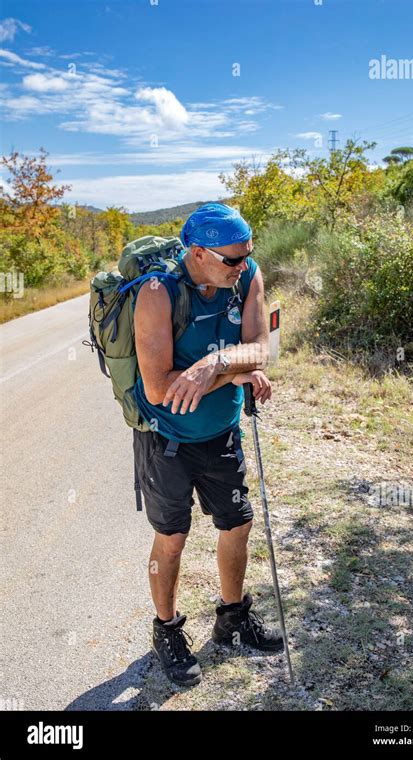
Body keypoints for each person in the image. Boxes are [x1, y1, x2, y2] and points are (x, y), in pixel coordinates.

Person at [132, 202, 283, 687]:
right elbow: (160, 390)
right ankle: (168, 630)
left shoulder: (247, 274)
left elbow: (262, 347)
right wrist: (234, 370)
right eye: (232, 260)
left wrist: (211, 365)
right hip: (167, 441)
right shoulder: (158, 294)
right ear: (197, 253)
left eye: (247, 257)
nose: (243, 268)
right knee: (171, 539)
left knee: (237, 524)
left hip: (222, 434)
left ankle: (232, 619)